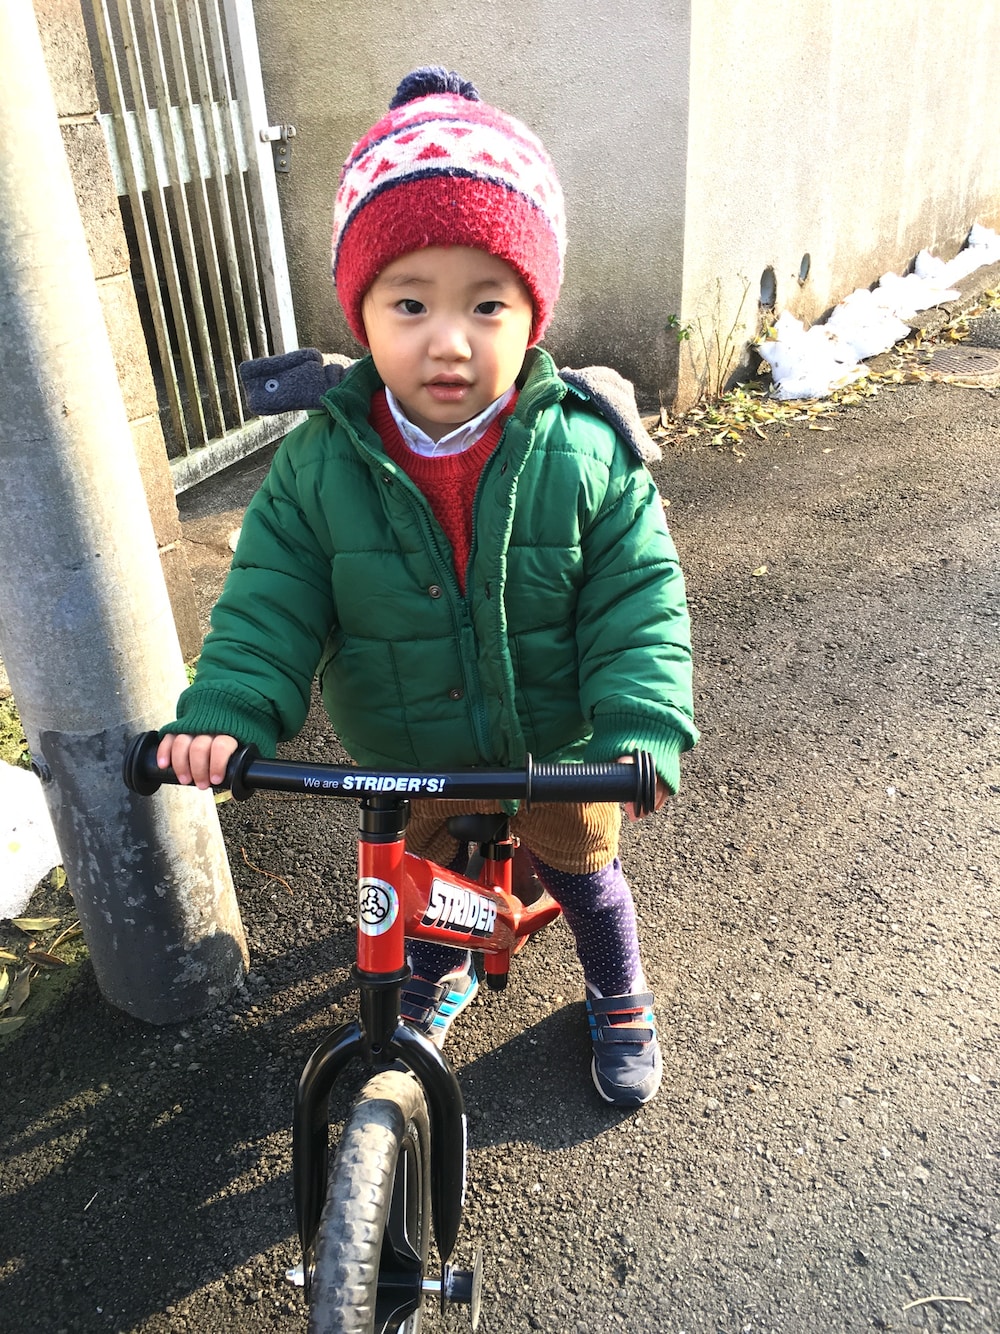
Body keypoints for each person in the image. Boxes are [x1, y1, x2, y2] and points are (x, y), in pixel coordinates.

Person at [156, 66, 698, 1107]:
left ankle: (617, 986)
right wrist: (227, 708)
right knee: (433, 886)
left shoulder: (586, 450)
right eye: (410, 302)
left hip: (560, 747)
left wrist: (639, 722)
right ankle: (444, 966)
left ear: (532, 314)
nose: (449, 339)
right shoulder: (318, 464)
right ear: (360, 312)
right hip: (412, 750)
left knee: (585, 877)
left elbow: (637, 598)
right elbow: (270, 600)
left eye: (486, 304)